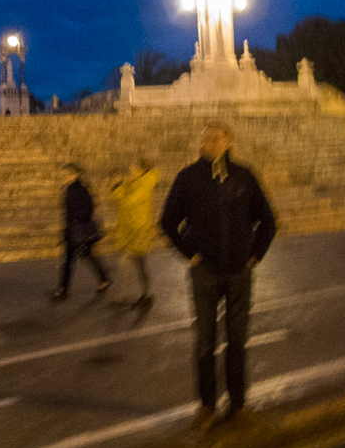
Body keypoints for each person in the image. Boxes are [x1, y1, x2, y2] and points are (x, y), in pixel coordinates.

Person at [160, 120, 277, 429]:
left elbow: (267, 220)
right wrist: (192, 255)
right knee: (205, 343)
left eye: (218, 137)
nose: (211, 142)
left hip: (239, 272)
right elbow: (168, 222)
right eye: (206, 138)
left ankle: (238, 406)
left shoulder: (244, 176)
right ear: (201, 143)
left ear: (229, 142)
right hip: (205, 273)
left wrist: (254, 255)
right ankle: (207, 406)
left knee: (237, 343)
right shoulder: (188, 178)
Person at [52, 163, 111, 301]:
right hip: (72, 229)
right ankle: (103, 279)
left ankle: (64, 289)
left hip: (78, 230)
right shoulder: (69, 189)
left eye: (67, 175)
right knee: (85, 256)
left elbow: (89, 208)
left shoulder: (82, 190)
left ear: (76, 174)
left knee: (71, 259)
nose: (64, 177)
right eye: (64, 175)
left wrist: (77, 221)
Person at [109, 159, 160, 307]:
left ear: (142, 169)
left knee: (131, 265)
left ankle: (128, 297)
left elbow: (130, 201)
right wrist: (117, 184)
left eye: (134, 166)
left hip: (138, 232)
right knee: (134, 265)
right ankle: (141, 295)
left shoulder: (145, 184)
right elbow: (116, 197)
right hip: (129, 231)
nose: (131, 168)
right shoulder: (133, 182)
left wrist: (119, 187)